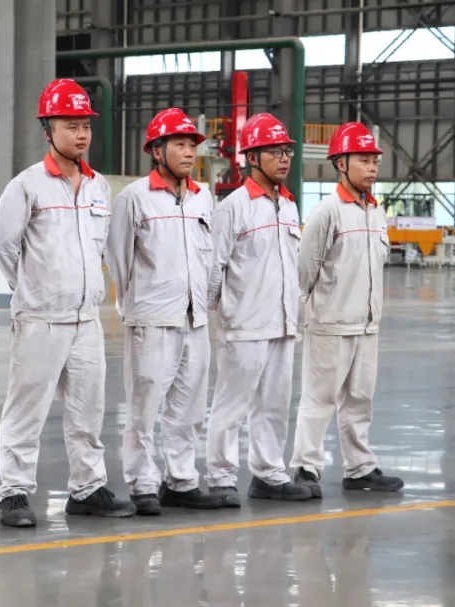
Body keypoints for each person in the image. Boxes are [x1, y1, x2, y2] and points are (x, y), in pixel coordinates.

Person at [0, 78, 136, 527]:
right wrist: (31, 290)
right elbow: (3, 246)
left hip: (86, 320)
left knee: (88, 411)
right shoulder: (27, 186)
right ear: (48, 130)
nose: (81, 134)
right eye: (70, 126)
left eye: (85, 125)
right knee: (26, 410)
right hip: (40, 319)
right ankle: (14, 492)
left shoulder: (98, 187)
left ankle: (88, 489)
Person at [104, 108, 224, 515]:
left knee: (189, 409)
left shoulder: (203, 196)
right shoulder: (134, 198)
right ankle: (142, 484)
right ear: (157, 151)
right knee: (143, 409)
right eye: (180, 144)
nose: (189, 152)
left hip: (195, 319)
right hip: (152, 319)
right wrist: (134, 305)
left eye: (192, 145)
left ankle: (182, 481)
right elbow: (117, 257)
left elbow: (209, 257)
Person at [287, 121, 404, 499]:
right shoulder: (327, 212)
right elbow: (305, 269)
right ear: (341, 163)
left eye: (374, 161)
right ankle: (306, 466)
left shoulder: (376, 212)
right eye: (364, 160)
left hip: (367, 324)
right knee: (319, 399)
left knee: (359, 401)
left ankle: (360, 467)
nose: (372, 167)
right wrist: (310, 312)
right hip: (330, 323)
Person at [203, 113, 313, 506]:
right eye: (274, 151)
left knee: (274, 404)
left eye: (286, 152)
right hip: (243, 324)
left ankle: (269, 474)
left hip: (282, 323)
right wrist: (214, 317)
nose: (284, 159)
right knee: (231, 405)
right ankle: (220, 477)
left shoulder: (289, 206)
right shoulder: (234, 207)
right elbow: (213, 267)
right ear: (252, 157)